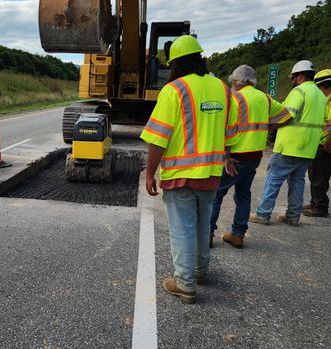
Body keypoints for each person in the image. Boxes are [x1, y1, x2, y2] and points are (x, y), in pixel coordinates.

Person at [140, 35, 235, 304]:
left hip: (181, 175)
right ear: (201, 59)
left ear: (175, 64)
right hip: (211, 173)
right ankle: (199, 271)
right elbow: (231, 131)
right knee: (203, 224)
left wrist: (149, 174)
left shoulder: (174, 90)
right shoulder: (221, 88)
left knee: (182, 228)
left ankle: (184, 283)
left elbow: (159, 137)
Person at [209, 65, 291, 248]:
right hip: (255, 156)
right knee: (243, 194)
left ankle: (207, 234)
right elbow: (287, 117)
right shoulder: (265, 98)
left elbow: (227, 128)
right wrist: (268, 128)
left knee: (216, 194)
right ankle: (238, 235)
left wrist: (225, 155)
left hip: (236, 156)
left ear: (237, 81)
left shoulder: (234, 98)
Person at [250, 60, 326, 226]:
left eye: (293, 77)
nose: (292, 80)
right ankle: (293, 216)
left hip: (290, 145)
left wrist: (270, 127)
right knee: (298, 182)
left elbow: (287, 115)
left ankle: (263, 213)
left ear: (299, 76)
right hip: (309, 147)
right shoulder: (321, 95)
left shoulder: (299, 91)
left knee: (273, 179)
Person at [303, 69, 331, 217]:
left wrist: (328, 142)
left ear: (325, 85)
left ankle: (320, 206)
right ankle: (315, 201)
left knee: (319, 177)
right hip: (319, 143)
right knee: (314, 175)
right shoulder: (326, 100)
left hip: (325, 145)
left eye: (319, 88)